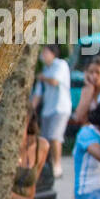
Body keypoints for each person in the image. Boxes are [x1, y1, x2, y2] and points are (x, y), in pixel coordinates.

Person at [36, 44, 72, 177]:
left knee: (55, 137)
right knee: (45, 139)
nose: (42, 56)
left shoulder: (60, 65)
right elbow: (37, 95)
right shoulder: (45, 69)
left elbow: (55, 81)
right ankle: (46, 166)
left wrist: (42, 77)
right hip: (47, 109)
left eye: (45, 52)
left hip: (60, 108)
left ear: (53, 53)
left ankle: (57, 167)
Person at [71, 56, 100, 127]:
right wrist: (89, 89)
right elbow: (78, 117)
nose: (94, 76)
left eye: (98, 72)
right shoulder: (87, 90)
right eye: (91, 72)